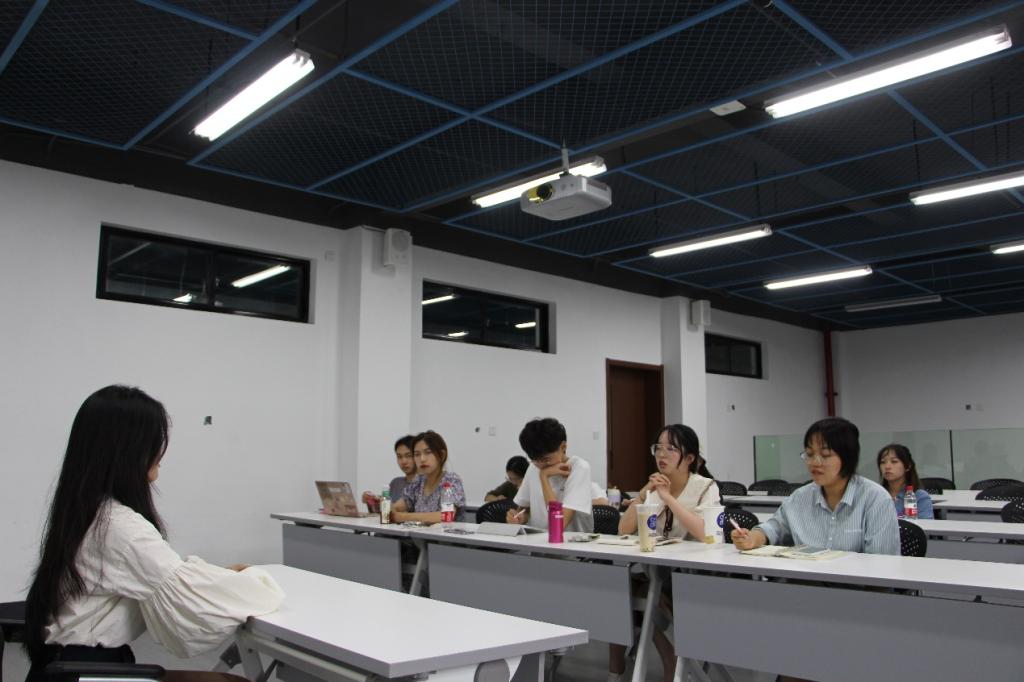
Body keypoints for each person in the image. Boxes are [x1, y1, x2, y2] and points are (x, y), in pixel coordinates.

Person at [23, 386, 284, 681]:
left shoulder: (87, 510)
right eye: (154, 440)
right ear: (126, 449)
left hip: (64, 665)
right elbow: (196, 604)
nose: (162, 451)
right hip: (88, 672)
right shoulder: (119, 527)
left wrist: (218, 577)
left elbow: (161, 577)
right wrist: (256, 582)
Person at [610, 424, 720, 682]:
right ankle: (617, 666)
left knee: (650, 595)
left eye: (671, 449)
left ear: (689, 458)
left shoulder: (705, 486)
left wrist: (668, 497)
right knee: (617, 587)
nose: (662, 454)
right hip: (656, 571)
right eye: (658, 447)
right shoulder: (655, 486)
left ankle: (671, 664)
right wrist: (643, 494)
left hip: (692, 575)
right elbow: (623, 529)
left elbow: (705, 533)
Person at [731, 417, 899, 555]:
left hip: (855, 585)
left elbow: (881, 564)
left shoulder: (875, 499)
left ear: (847, 457)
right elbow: (774, 528)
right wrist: (752, 538)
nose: (814, 462)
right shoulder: (799, 498)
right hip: (804, 582)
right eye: (809, 454)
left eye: (825, 455)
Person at [507, 418, 594, 532]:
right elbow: (524, 509)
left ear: (563, 447)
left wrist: (544, 476)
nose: (540, 465)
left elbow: (559, 524)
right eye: (534, 460)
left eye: (546, 459)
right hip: (538, 540)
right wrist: (521, 517)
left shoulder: (579, 468)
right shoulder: (533, 467)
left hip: (571, 541)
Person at [390, 430, 467, 523]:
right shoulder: (418, 481)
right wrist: (383, 504)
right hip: (419, 532)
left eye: (428, 452)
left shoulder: (451, 480)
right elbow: (397, 508)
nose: (422, 459)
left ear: (442, 455)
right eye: (417, 454)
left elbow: (445, 516)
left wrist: (404, 517)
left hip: (447, 532)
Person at [878, 443, 934, 519]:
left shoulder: (919, 496)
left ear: (907, 466)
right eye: (883, 462)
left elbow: (926, 525)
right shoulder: (876, 495)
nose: (887, 467)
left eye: (894, 461)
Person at [362, 435, 417, 506]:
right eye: (399, 456)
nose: (403, 461)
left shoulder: (424, 484)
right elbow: (385, 509)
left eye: (408, 456)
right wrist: (372, 500)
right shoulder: (396, 483)